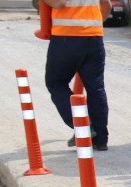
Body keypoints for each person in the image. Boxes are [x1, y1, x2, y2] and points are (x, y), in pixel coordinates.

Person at [42, 0, 111, 150]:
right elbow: (107, 5)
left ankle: (84, 126)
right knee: (95, 88)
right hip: (94, 38)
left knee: (55, 82)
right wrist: (93, 25)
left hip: (67, 39)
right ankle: (100, 139)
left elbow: (59, 3)